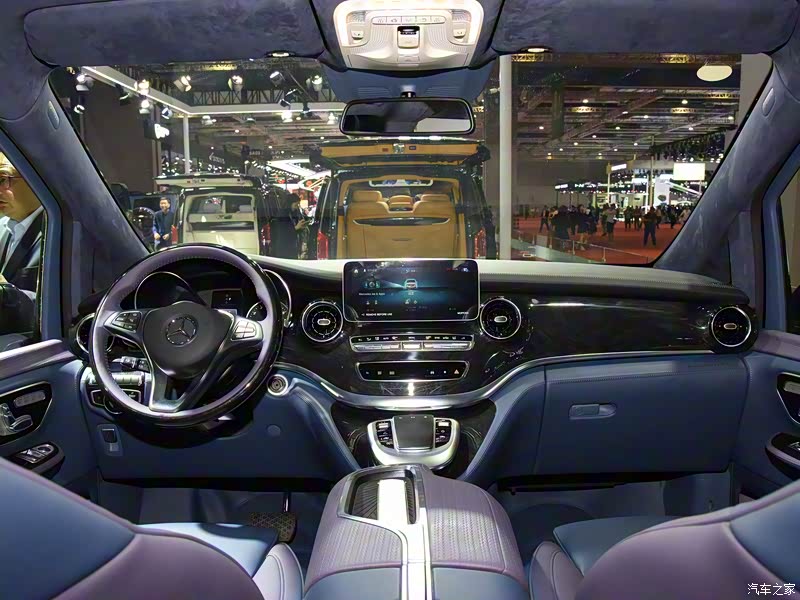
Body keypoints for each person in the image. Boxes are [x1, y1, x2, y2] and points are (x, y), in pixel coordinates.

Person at [0, 153, 43, 334]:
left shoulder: (61, 231)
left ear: (35, 177)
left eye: (3, 179)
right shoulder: (3, 226)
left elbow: (58, 311)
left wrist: (6, 293)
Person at [289, 193, 309, 259]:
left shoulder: (295, 212)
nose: (297, 207)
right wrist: (296, 228)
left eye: (298, 205)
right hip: (286, 249)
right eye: (295, 205)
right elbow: (284, 232)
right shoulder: (283, 215)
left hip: (294, 247)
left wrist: (301, 226)